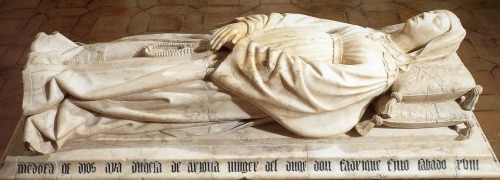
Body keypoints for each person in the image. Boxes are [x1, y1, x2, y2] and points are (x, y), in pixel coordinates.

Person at [22, 10, 465, 154]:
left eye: (437, 20)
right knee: (143, 46)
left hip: (248, 79)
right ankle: (72, 62)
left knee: (147, 83)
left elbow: (315, 85)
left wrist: (246, 56)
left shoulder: (381, 67)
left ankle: (62, 95)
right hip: (241, 50)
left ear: (435, 41)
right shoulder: (370, 33)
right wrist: (251, 25)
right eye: (431, 8)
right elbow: (297, 19)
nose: (426, 13)